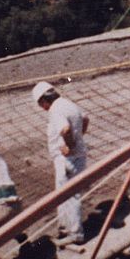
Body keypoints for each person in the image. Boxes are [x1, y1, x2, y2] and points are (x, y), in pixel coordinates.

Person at [33, 81, 89, 246]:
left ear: (44, 100)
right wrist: (79, 139)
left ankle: (75, 233)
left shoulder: (55, 110)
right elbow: (85, 119)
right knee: (66, 194)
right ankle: (64, 227)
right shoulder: (67, 103)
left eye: (41, 104)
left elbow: (65, 129)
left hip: (67, 159)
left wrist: (69, 145)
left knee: (69, 195)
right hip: (79, 156)